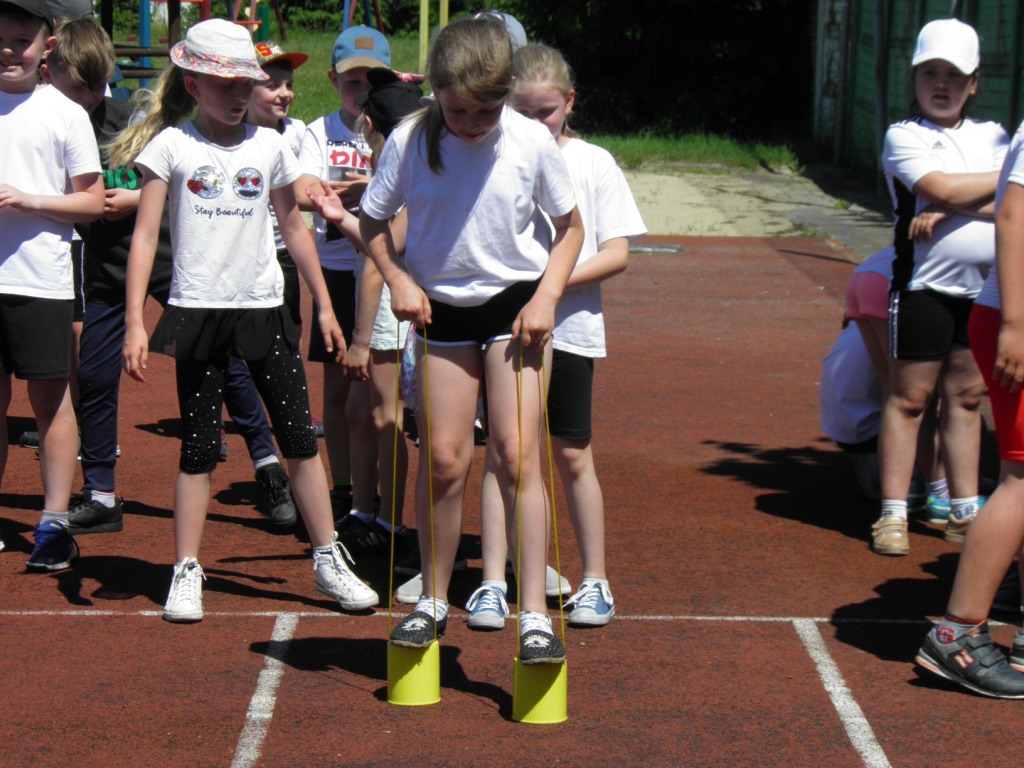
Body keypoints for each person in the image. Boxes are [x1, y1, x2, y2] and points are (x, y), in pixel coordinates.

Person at [113, 19, 378, 621]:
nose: (238, 95)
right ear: (193, 83)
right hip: (198, 311)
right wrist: (135, 321)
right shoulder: (171, 146)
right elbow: (145, 236)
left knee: (298, 442)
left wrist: (324, 304)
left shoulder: (270, 146)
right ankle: (186, 568)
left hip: (264, 308)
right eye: (224, 84)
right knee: (199, 448)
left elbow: (294, 228)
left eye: (244, 83)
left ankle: (327, 556)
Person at [357, 17, 583, 664]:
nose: (472, 124)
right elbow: (372, 221)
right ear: (435, 92)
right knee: (446, 459)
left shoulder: (530, 140)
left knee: (517, 455)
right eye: (458, 111)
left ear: (507, 91)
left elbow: (570, 229)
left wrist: (547, 297)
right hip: (441, 314)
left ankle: (532, 613)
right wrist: (398, 279)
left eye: (487, 110)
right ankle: (432, 600)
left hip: (517, 312)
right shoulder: (410, 139)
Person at [42, 19, 298, 535]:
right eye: (75, 89)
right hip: (105, 270)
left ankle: (268, 464)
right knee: (94, 376)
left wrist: (134, 198)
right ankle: (100, 492)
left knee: (231, 369)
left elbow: (178, 171)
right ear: (50, 76)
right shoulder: (50, 127)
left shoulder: (128, 121)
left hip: (167, 260)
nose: (85, 99)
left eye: (95, 87)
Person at [463, 42, 645, 631]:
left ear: (569, 102)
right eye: (521, 111)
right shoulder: (493, 151)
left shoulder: (593, 162)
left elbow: (616, 252)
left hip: (569, 332)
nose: (534, 122)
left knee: (570, 453)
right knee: (502, 455)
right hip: (504, 332)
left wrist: (547, 286)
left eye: (544, 111)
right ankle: (494, 581)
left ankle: (596, 579)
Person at [871, 18, 1008, 556]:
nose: (942, 84)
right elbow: (939, 185)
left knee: (966, 398)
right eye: (930, 72)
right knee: (909, 398)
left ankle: (963, 510)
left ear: (974, 83)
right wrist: (972, 191)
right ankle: (892, 513)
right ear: (914, 79)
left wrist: (949, 207)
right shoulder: (904, 135)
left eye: (954, 74)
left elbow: (1011, 204)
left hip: (986, 291)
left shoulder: (994, 136)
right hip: (922, 287)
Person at [914, 118, 1024, 699]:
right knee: (1022, 480)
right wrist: (1016, 325)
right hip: (1016, 318)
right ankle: (956, 635)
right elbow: (1013, 215)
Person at [0, 0, 104, 564]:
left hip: (40, 279)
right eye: (1, 38)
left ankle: (54, 524)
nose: (9, 50)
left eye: (22, 40)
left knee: (51, 402)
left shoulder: (64, 113)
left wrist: (28, 199)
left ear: (47, 45)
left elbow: (91, 202)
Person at [308, 67, 423, 559]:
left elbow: (381, 258)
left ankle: (390, 522)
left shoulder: (409, 180)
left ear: (373, 129)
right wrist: (343, 216)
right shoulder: (390, 179)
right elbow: (376, 242)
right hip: (374, 307)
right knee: (360, 413)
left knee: (384, 417)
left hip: (387, 314)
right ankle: (362, 511)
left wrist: (358, 341)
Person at [296, 25, 389, 527]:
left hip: (382, 268)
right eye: (353, 81)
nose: (362, 91)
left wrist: (371, 187)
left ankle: (377, 493)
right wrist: (335, 194)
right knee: (337, 387)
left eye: (372, 81)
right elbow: (303, 186)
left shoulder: (398, 127)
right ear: (334, 80)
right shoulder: (320, 130)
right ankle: (343, 486)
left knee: (378, 391)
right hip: (335, 269)